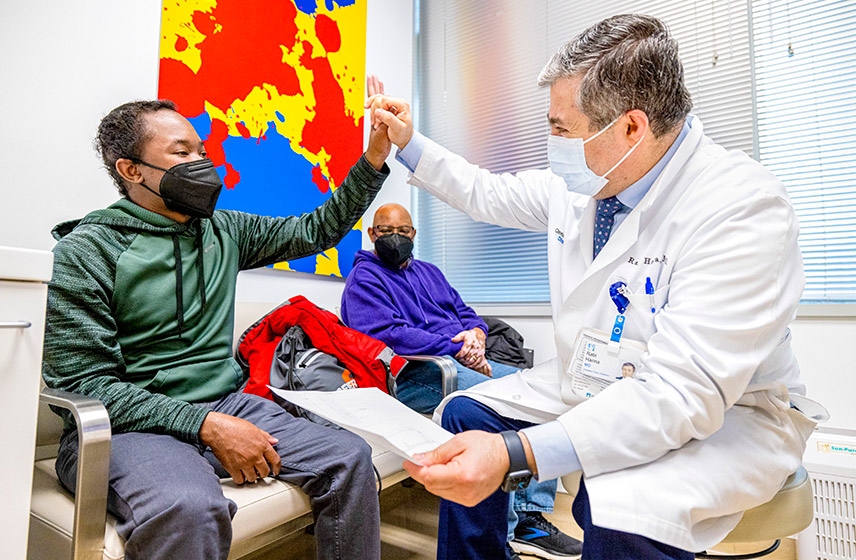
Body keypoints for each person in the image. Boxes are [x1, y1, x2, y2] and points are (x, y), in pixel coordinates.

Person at [366, 13, 823, 560]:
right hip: (594, 380)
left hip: (726, 418)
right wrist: (408, 142)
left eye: (561, 128)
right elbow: (484, 192)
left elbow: (680, 394)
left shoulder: (741, 208)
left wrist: (516, 453)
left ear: (632, 127)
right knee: (469, 411)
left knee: (620, 501)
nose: (551, 141)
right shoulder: (588, 183)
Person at [42, 99, 391, 560]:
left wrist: (374, 158)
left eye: (201, 150)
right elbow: (84, 383)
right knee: (189, 507)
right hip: (126, 427)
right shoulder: (87, 251)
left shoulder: (222, 230)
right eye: (181, 153)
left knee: (348, 458)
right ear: (132, 170)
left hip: (224, 402)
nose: (201, 163)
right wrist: (205, 425)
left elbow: (317, 230)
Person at [341, 202, 583, 559]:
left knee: (536, 391)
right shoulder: (364, 279)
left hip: (453, 361)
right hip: (413, 373)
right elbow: (386, 335)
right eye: (386, 231)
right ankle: (510, 526)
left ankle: (531, 518)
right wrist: (455, 347)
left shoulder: (430, 272)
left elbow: (467, 313)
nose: (396, 238)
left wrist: (476, 336)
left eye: (403, 231)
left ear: (414, 235)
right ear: (372, 235)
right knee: (492, 406)